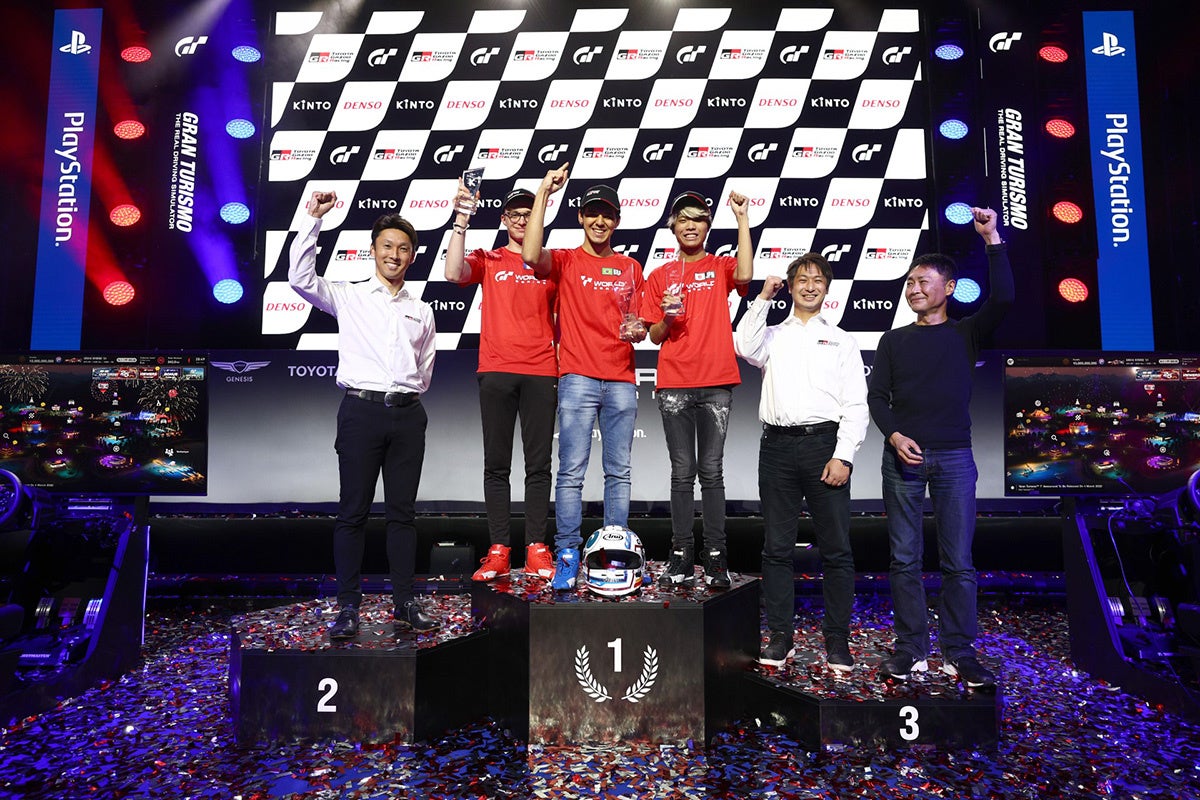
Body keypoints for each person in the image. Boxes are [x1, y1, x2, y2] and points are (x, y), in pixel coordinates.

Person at [867, 206, 1013, 688]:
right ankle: (911, 648)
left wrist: (991, 238)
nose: (913, 289)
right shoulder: (893, 340)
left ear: (948, 288)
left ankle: (959, 651)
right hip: (901, 459)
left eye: (923, 281)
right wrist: (894, 435)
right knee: (904, 560)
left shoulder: (965, 332)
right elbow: (877, 397)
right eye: (910, 282)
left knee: (959, 563)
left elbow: (1004, 298)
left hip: (954, 458)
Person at [288, 190, 440, 640]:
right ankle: (348, 607)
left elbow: (424, 370)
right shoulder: (348, 296)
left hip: (408, 416)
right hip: (360, 412)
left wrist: (403, 396)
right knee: (352, 513)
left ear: (412, 256)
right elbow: (300, 279)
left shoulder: (421, 310)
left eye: (403, 248)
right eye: (387, 246)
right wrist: (313, 219)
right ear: (373, 250)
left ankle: (404, 602)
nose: (394, 254)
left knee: (402, 515)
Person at [734, 253, 868, 670]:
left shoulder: (842, 340)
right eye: (802, 280)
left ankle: (837, 641)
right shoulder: (772, 335)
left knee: (837, 550)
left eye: (818, 280)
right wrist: (762, 297)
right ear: (790, 288)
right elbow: (743, 346)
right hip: (776, 448)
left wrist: (843, 456)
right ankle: (780, 637)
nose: (810, 286)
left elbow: (856, 405)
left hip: (824, 447)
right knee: (776, 549)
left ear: (827, 289)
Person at [522, 164, 648, 590]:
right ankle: (568, 554)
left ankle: (616, 553)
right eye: (592, 213)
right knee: (571, 473)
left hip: (622, 378)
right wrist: (544, 192)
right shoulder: (565, 260)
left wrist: (639, 329)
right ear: (580, 217)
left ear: (617, 221)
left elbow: (639, 322)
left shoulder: (631, 267)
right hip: (577, 377)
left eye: (607, 214)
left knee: (619, 472)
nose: (599, 221)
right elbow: (529, 254)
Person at [444, 183, 558, 582]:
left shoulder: (549, 262)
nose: (523, 220)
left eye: (529, 213)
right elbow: (452, 272)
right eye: (515, 214)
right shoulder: (489, 258)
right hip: (496, 369)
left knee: (539, 465)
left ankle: (537, 548)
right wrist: (461, 219)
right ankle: (499, 550)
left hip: (542, 370)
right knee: (496, 464)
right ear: (504, 219)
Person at [642, 190, 752, 590]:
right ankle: (681, 555)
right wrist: (669, 318)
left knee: (712, 471)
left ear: (707, 226)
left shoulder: (719, 266)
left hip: (716, 383)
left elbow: (745, 276)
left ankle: (716, 557)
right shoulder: (660, 276)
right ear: (673, 227)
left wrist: (741, 218)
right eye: (683, 219)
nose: (691, 226)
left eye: (698, 219)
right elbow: (654, 335)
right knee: (682, 473)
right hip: (674, 384)